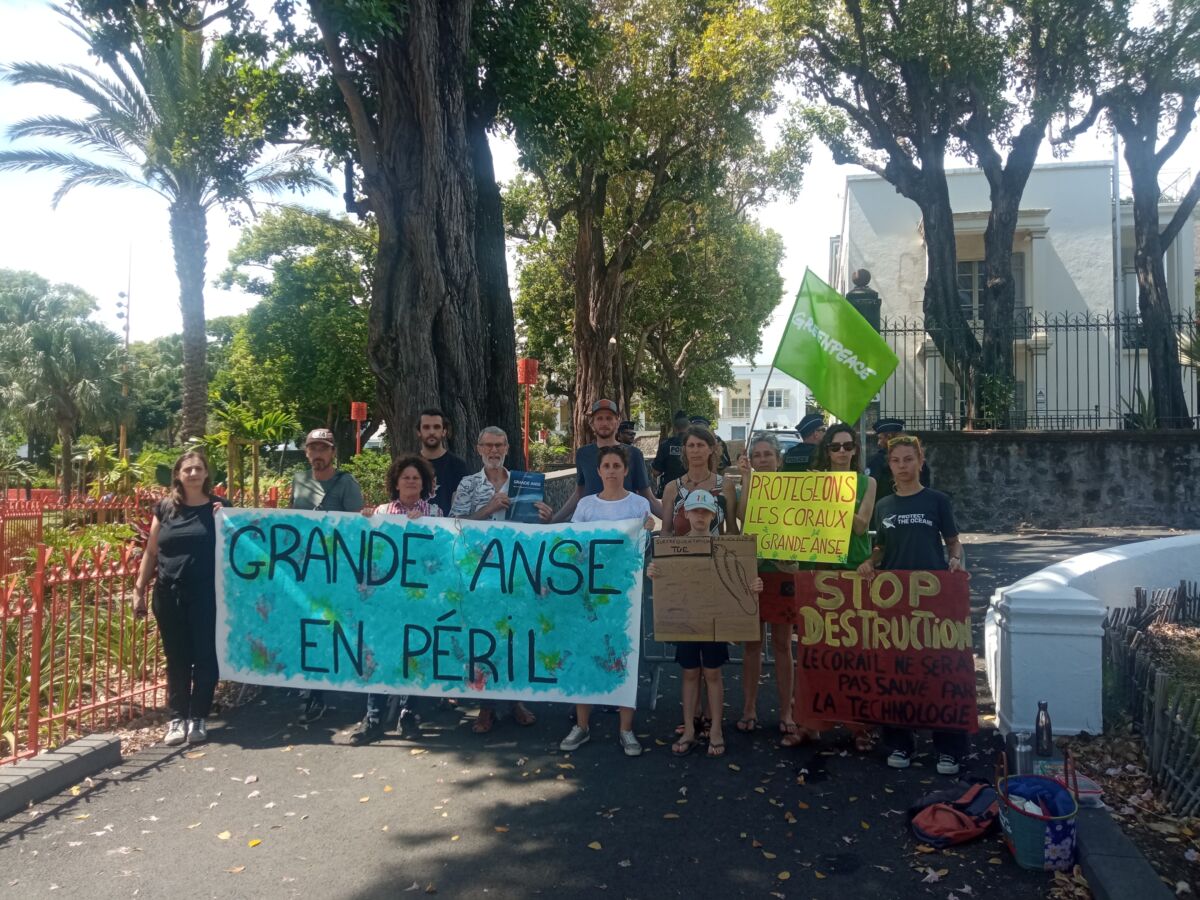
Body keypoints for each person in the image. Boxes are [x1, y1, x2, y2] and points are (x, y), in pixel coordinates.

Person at [857, 434, 969, 775]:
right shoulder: (884, 505)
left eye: (908, 459)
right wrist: (870, 562)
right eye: (896, 461)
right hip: (894, 600)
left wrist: (954, 560)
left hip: (932, 597)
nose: (902, 466)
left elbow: (953, 542)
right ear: (889, 465)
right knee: (896, 671)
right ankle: (900, 743)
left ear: (921, 461)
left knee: (939, 669)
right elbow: (882, 547)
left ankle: (948, 748)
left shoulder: (937, 501)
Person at [648, 489, 762, 759]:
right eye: (695, 511)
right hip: (686, 621)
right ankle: (689, 729)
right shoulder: (671, 548)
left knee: (712, 674)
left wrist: (754, 585)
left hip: (714, 621)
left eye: (705, 511)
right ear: (686, 514)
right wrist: (655, 573)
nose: (700, 516)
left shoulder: (727, 548)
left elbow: (740, 579)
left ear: (714, 515)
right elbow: (666, 580)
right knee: (689, 674)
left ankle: (716, 730)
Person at [785, 423, 879, 751]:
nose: (841, 452)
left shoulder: (867, 483)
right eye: (835, 446)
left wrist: (832, 496)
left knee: (854, 652)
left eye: (847, 446)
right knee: (813, 651)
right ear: (826, 450)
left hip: (852, 571)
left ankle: (859, 727)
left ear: (855, 449)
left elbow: (861, 526)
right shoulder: (813, 482)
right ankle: (809, 724)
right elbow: (798, 524)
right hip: (817, 569)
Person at [450, 426, 550, 732]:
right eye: (488, 445)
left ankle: (515, 701)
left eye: (499, 445)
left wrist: (546, 517)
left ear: (507, 447)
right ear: (479, 448)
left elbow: (533, 529)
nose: (494, 451)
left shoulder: (524, 483)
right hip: (480, 574)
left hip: (516, 572)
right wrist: (488, 508)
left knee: (514, 637)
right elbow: (454, 526)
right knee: (484, 638)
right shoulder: (468, 484)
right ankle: (486, 706)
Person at [558, 444, 652, 758]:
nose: (611, 471)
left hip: (624, 594)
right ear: (598, 471)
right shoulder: (586, 505)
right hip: (589, 594)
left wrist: (648, 530)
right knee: (585, 654)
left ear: (626, 470)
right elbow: (574, 546)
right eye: (606, 466)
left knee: (624, 657)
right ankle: (582, 725)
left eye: (616, 466)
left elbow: (643, 547)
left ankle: (626, 729)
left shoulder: (639, 505)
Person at [349, 455, 439, 745]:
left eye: (416, 478)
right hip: (386, 598)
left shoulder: (434, 512)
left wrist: (423, 525)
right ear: (396, 483)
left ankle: (408, 714)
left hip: (418, 597)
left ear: (423, 483)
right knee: (381, 652)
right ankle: (373, 717)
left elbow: (439, 551)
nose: (411, 482)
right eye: (405, 477)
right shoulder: (381, 512)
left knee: (414, 654)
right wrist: (366, 522)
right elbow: (370, 550)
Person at [133, 451, 221, 746]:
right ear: (178, 475)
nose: (193, 474)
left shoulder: (219, 508)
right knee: (176, 657)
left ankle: (198, 716)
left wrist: (225, 518)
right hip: (169, 593)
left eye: (198, 469)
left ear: (206, 473)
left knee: (205, 655)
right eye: (187, 469)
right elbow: (151, 551)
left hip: (206, 594)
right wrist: (139, 589)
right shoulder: (165, 508)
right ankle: (177, 717)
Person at [292, 428, 365, 724]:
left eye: (323, 448)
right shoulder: (299, 482)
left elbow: (356, 528)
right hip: (307, 570)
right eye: (313, 448)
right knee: (309, 627)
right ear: (306, 452)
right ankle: (312, 691)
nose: (317, 454)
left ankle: (332, 688)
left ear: (333, 452)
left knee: (332, 627)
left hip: (336, 571)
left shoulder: (346, 483)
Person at [729, 434, 798, 741]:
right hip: (754, 572)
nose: (762, 459)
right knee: (752, 645)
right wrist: (747, 479)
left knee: (783, 645)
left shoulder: (796, 489)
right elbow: (744, 515)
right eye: (757, 455)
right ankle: (749, 708)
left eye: (768, 454)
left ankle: (786, 711)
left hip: (784, 572)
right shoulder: (747, 486)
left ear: (778, 459)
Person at [553, 399, 661, 522]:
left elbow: (648, 496)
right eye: (599, 418)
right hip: (592, 524)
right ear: (592, 423)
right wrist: (552, 521)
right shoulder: (583, 454)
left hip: (624, 524)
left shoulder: (634, 454)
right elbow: (579, 493)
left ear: (617, 422)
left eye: (609, 418)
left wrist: (672, 523)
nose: (604, 423)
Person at [661, 424, 726, 537]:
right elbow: (666, 531)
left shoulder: (725, 486)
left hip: (716, 548)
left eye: (700, 445)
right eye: (691, 445)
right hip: (681, 548)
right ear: (684, 450)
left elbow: (732, 530)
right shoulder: (672, 488)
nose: (695, 450)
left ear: (711, 449)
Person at [417, 408, 468, 515]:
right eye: (426, 427)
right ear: (419, 432)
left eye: (436, 427)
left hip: (448, 525)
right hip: (414, 524)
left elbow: (464, 506)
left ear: (444, 431)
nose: (431, 432)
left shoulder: (458, 466)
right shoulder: (408, 466)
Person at [865, 418, 930, 498]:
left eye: (880, 438)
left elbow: (869, 489)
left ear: (889, 437)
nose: (878, 443)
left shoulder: (877, 461)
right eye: (895, 460)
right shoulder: (916, 459)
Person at [651, 411, 690, 497]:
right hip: (692, 491)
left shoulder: (666, 444)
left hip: (670, 491)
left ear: (674, 428)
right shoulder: (696, 445)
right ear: (689, 426)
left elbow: (656, 472)